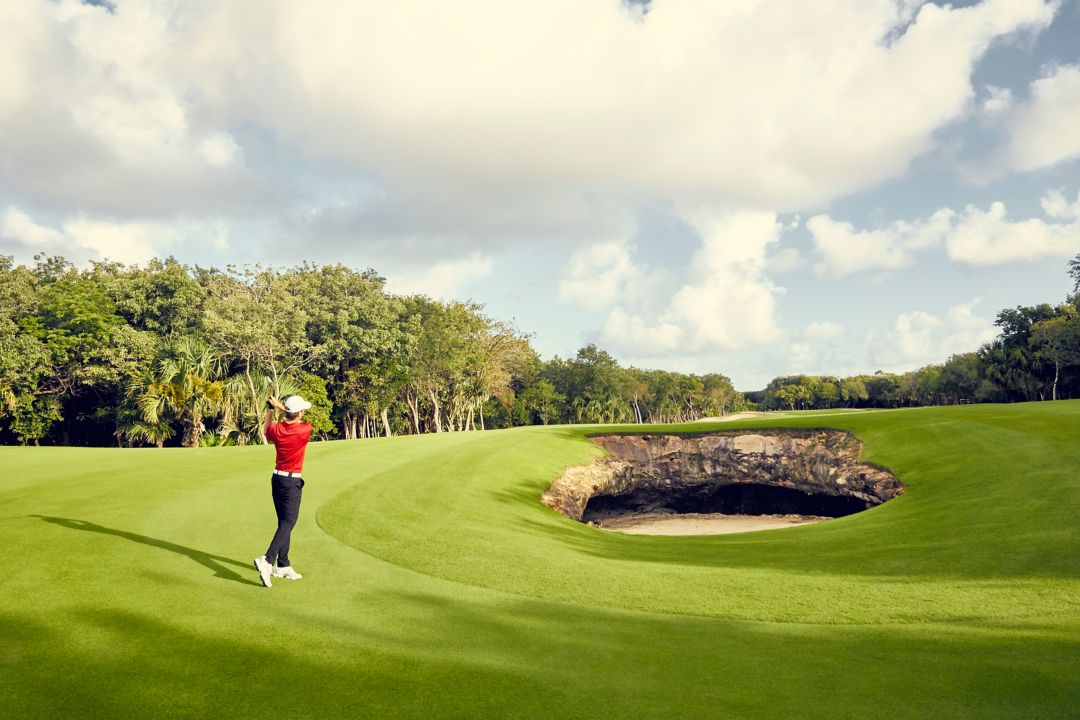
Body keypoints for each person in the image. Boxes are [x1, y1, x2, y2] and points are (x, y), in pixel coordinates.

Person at [253, 394, 313, 588]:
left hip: (276, 479)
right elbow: (295, 417)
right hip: (291, 482)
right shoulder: (305, 429)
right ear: (300, 412)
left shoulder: (277, 429)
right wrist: (280, 406)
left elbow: (266, 430)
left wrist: (271, 409)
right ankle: (268, 560)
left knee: (282, 522)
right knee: (289, 522)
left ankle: (283, 565)